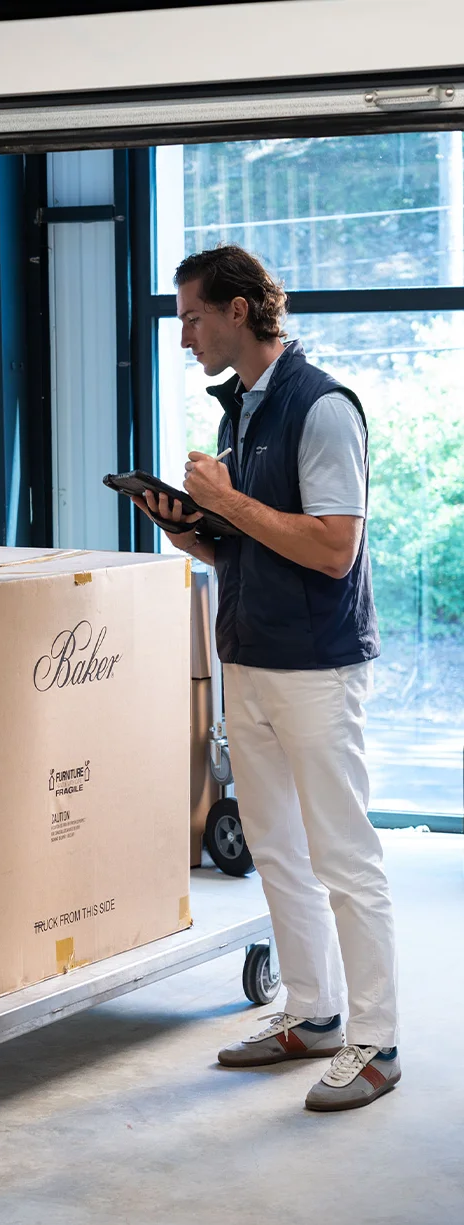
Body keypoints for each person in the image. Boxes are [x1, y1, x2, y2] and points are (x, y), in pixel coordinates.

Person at [134, 246, 400, 1113]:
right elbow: (255, 547)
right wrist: (193, 533)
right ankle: (314, 1014)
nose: (186, 338)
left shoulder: (321, 407)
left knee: (342, 855)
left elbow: (333, 548)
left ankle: (377, 1039)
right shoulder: (241, 412)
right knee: (276, 849)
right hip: (248, 656)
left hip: (316, 668)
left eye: (193, 318)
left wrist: (227, 500)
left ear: (240, 311)